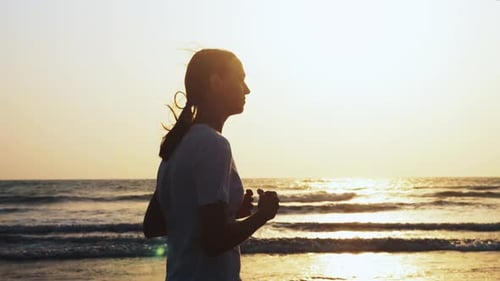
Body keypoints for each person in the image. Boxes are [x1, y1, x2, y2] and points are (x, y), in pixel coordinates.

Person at [143, 49, 280, 281]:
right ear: (216, 82)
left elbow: (154, 224)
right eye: (240, 79)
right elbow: (214, 241)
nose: (246, 89)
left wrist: (230, 214)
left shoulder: (177, 145)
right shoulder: (214, 145)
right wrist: (262, 215)